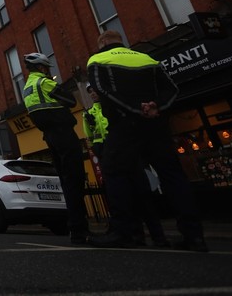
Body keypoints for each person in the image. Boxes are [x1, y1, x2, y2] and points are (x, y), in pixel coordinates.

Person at [87, 30, 207, 252]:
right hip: (156, 124)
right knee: (172, 175)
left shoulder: (97, 59)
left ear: (102, 42)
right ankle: (194, 235)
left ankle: (123, 232)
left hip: (124, 124)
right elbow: (172, 89)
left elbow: (104, 90)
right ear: (121, 42)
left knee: (115, 172)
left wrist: (135, 109)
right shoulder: (147, 58)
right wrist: (156, 107)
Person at [84, 83, 169, 248]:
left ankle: (157, 236)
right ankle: (136, 235)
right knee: (126, 194)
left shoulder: (117, 103)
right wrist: (98, 149)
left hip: (126, 149)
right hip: (108, 153)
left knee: (141, 193)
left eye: (94, 90)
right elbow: (90, 136)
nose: (93, 94)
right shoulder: (89, 113)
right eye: (90, 92)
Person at [22, 52, 89, 244]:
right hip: (64, 133)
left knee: (66, 181)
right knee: (75, 179)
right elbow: (70, 101)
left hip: (49, 136)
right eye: (47, 68)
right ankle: (79, 230)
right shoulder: (44, 83)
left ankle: (75, 228)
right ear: (42, 68)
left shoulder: (27, 88)